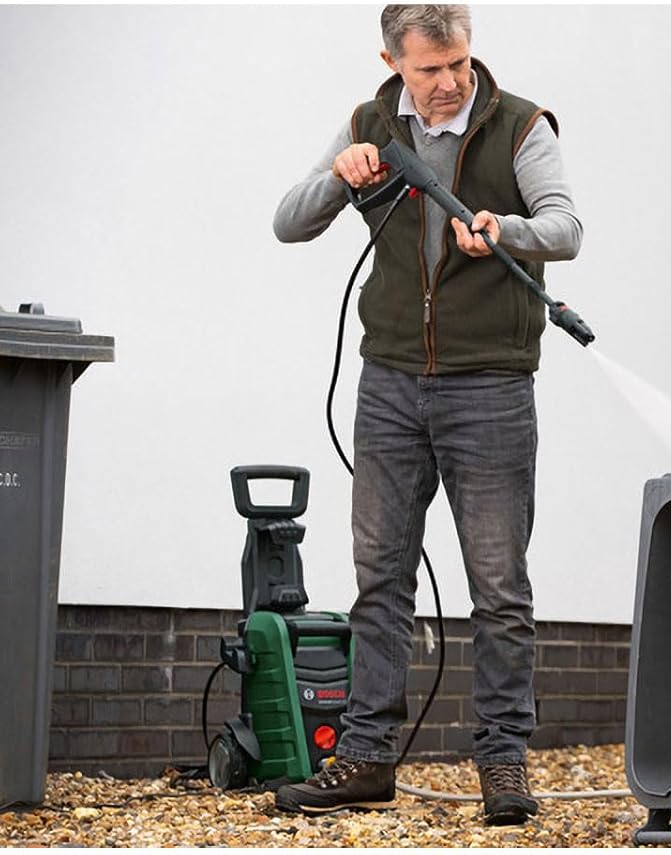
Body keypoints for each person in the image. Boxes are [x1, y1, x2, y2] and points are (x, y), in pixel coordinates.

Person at [270, 4, 582, 826]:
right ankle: (368, 758)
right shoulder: (369, 125)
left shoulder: (520, 126)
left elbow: (566, 227)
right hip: (391, 384)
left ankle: (504, 765)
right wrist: (343, 174)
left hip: (492, 387)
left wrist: (505, 229)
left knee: (499, 587)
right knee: (381, 580)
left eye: (458, 64)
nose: (448, 84)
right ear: (391, 59)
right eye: (428, 69)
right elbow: (287, 222)